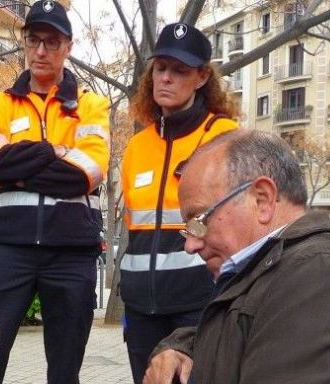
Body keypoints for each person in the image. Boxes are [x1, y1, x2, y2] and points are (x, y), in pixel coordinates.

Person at [143, 130, 330, 384]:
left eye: (199, 219)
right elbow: (244, 335)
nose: (190, 244)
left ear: (262, 200)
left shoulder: (327, 279)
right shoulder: (277, 274)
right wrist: (182, 347)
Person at [0, 1, 110, 383]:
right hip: (8, 251)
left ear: (68, 47)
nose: (41, 51)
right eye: (34, 40)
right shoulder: (0, 104)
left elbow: (87, 173)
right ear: (25, 43)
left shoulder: (91, 105)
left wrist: (19, 169)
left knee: (65, 371)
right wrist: (52, 151)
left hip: (71, 253)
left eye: (52, 42)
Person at [119, 22, 238, 384]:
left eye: (180, 70)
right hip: (141, 308)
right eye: (161, 68)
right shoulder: (137, 146)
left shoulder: (223, 137)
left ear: (202, 77)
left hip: (198, 306)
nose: (166, 78)